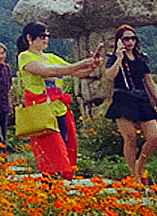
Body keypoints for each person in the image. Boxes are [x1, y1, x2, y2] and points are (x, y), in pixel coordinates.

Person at [16, 22, 99, 178]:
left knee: (65, 144)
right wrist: (81, 64)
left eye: (47, 36)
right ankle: (50, 183)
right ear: (29, 37)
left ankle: (59, 180)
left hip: (59, 108)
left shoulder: (52, 57)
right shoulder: (25, 56)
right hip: (41, 110)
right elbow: (49, 71)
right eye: (42, 36)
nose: (46, 39)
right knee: (50, 147)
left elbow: (76, 72)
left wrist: (92, 64)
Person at [101, 25, 157, 184]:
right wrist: (119, 57)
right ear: (119, 41)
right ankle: (133, 175)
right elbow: (109, 76)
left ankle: (139, 166)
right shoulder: (113, 58)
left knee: (154, 138)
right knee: (130, 138)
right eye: (126, 39)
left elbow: (148, 80)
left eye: (132, 38)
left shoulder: (141, 58)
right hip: (123, 98)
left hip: (141, 99)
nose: (130, 42)